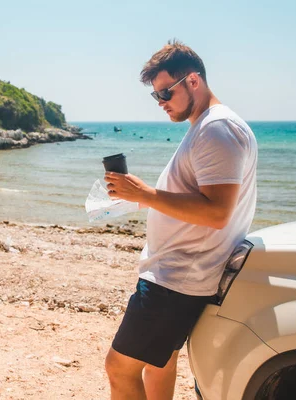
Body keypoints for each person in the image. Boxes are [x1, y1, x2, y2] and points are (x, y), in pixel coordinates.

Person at [103, 40, 258, 400]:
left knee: (118, 367)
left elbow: (218, 212)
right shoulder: (208, 126)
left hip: (176, 280)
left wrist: (144, 195)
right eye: (155, 96)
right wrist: (138, 199)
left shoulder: (217, 129)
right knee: (160, 362)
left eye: (165, 93)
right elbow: (199, 200)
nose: (161, 103)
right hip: (181, 276)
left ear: (193, 81)